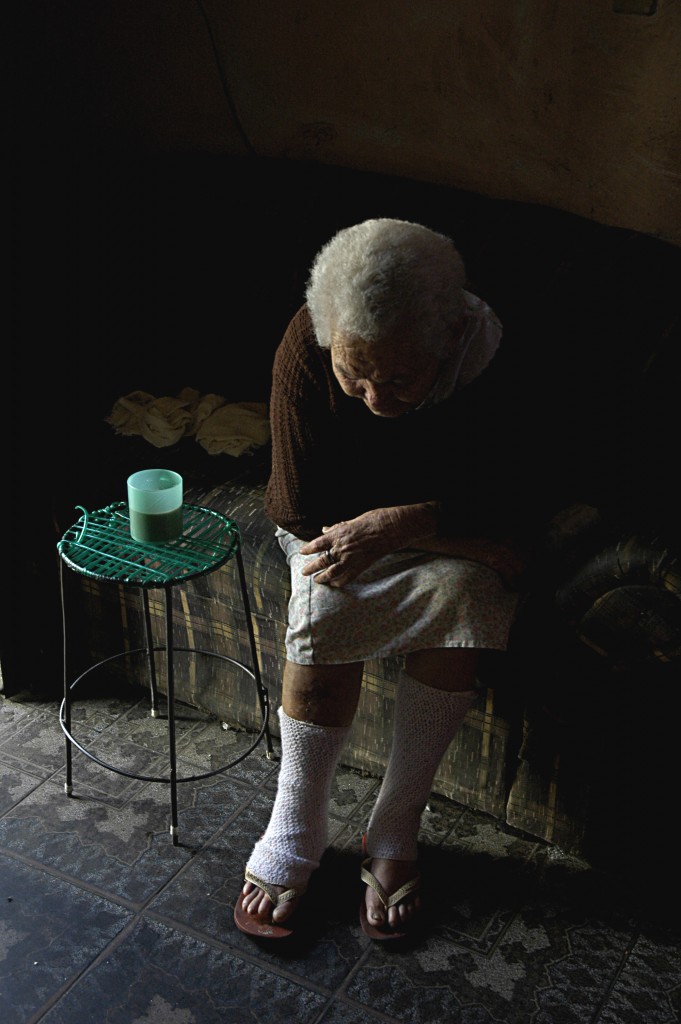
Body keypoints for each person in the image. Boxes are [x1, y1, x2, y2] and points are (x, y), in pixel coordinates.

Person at [233, 217, 534, 942]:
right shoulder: (309, 342)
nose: (373, 398)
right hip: (342, 528)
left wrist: (411, 523)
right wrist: (419, 529)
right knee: (326, 598)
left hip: (436, 532)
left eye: (398, 379)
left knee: (462, 597)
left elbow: (527, 492)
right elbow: (297, 505)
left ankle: (394, 831)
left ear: (446, 336)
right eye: (354, 376)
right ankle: (295, 825)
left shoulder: (493, 355)